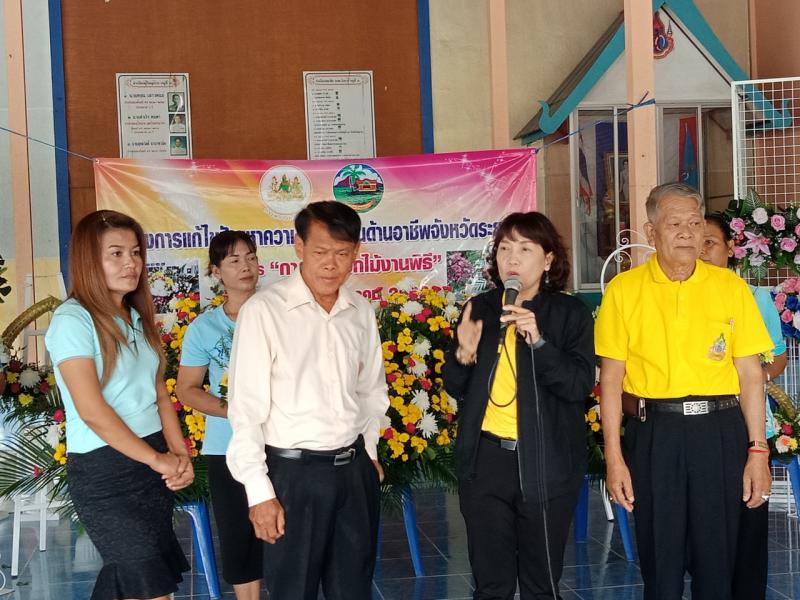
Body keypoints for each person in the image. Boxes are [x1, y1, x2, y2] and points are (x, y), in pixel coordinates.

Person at [595, 182, 773, 600]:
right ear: (651, 231)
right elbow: (611, 382)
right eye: (675, 224)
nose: (687, 234)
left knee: (718, 558)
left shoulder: (730, 288)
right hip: (656, 434)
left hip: (719, 432)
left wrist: (758, 450)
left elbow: (751, 375)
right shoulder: (624, 291)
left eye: (694, 224)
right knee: (661, 562)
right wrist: (614, 459)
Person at [225, 201, 389, 600]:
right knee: (293, 590)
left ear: (357, 252)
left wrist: (369, 451)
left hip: (353, 473)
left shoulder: (360, 311)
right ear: (299, 246)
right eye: (320, 251)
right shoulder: (265, 311)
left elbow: (371, 390)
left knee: (354, 589)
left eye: (342, 253)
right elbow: (246, 409)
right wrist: (260, 492)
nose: (331, 264)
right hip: (292, 476)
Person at [443, 212, 595, 599]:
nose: (512, 258)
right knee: (491, 584)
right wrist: (463, 354)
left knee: (540, 584)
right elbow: (455, 386)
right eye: (505, 248)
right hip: (486, 461)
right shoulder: (479, 308)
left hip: (546, 461)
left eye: (525, 249)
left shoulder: (570, 314)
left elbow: (578, 386)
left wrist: (539, 343)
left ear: (547, 260)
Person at [44, 210, 193, 600]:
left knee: (144, 586)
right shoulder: (72, 320)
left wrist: (178, 454)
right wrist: (157, 459)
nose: (131, 263)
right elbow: (92, 412)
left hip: (152, 463)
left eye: (135, 252)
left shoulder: (135, 316)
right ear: (88, 260)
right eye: (116, 253)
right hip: (106, 472)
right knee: (148, 586)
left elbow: (159, 394)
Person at [701, 213, 787, 600]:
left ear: (731, 248)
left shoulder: (754, 297)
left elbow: (778, 355)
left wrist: (754, 379)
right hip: (702, 425)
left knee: (749, 518)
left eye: (710, 243)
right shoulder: (682, 299)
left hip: (748, 424)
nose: (701, 252)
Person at [176, 231, 262, 600]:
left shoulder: (279, 314)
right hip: (227, 447)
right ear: (216, 271)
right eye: (234, 260)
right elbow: (187, 389)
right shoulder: (204, 327)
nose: (246, 266)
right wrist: (235, 410)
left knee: (288, 534)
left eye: (251, 257)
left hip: (282, 442)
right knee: (239, 536)